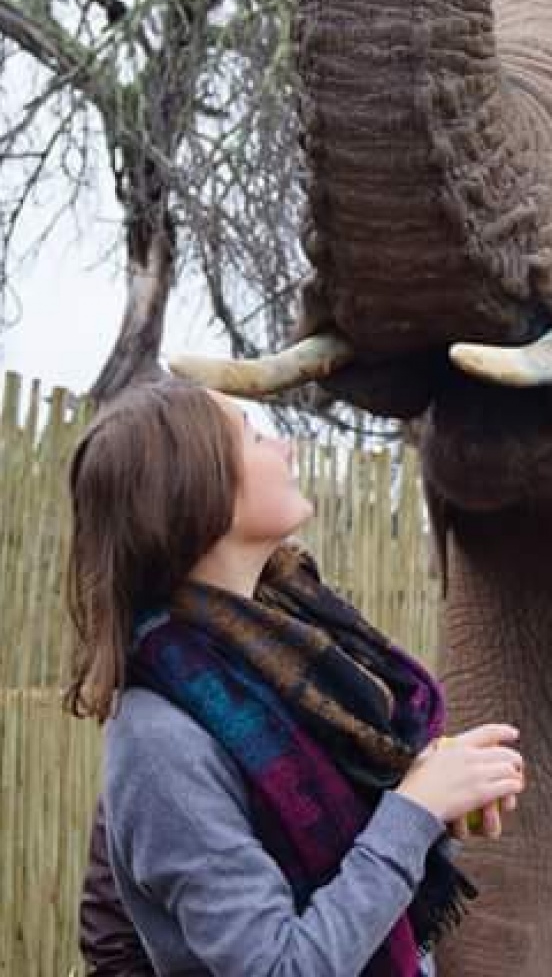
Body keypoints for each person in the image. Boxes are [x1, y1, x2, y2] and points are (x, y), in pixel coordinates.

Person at [65, 379, 525, 977]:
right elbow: (280, 967)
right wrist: (412, 810)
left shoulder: (280, 665)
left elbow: (353, 862)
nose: (285, 446)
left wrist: (436, 805)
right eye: (253, 437)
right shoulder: (162, 740)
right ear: (198, 495)